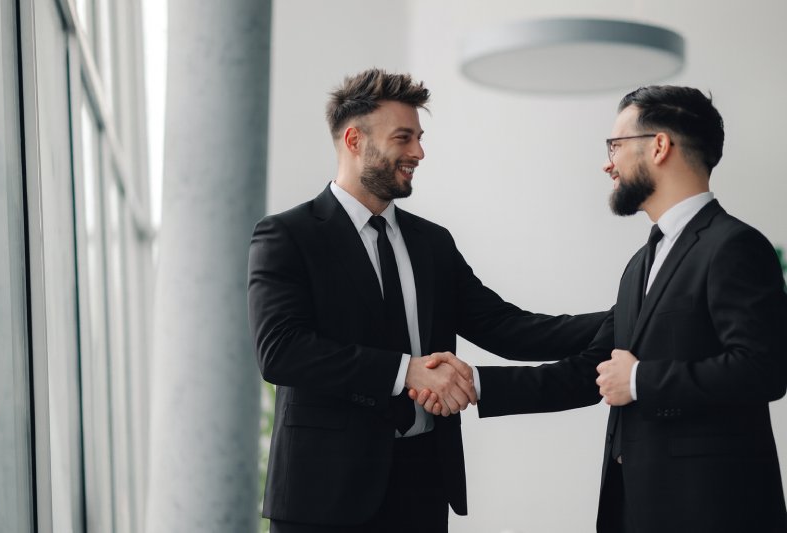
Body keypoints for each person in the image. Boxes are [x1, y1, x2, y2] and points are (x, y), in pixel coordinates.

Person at [247, 68, 606, 533]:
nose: (418, 152)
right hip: (323, 496)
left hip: (423, 484)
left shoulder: (432, 242)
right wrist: (406, 371)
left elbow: (510, 328)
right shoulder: (287, 235)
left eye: (419, 137)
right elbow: (281, 352)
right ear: (355, 140)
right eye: (404, 138)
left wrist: (632, 315)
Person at [419, 85, 787, 532]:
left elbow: (763, 369)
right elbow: (587, 372)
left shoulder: (735, 245)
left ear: (659, 146)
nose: (607, 162)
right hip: (634, 507)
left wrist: (639, 379)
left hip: (712, 508)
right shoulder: (640, 264)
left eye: (615, 145)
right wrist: (473, 382)